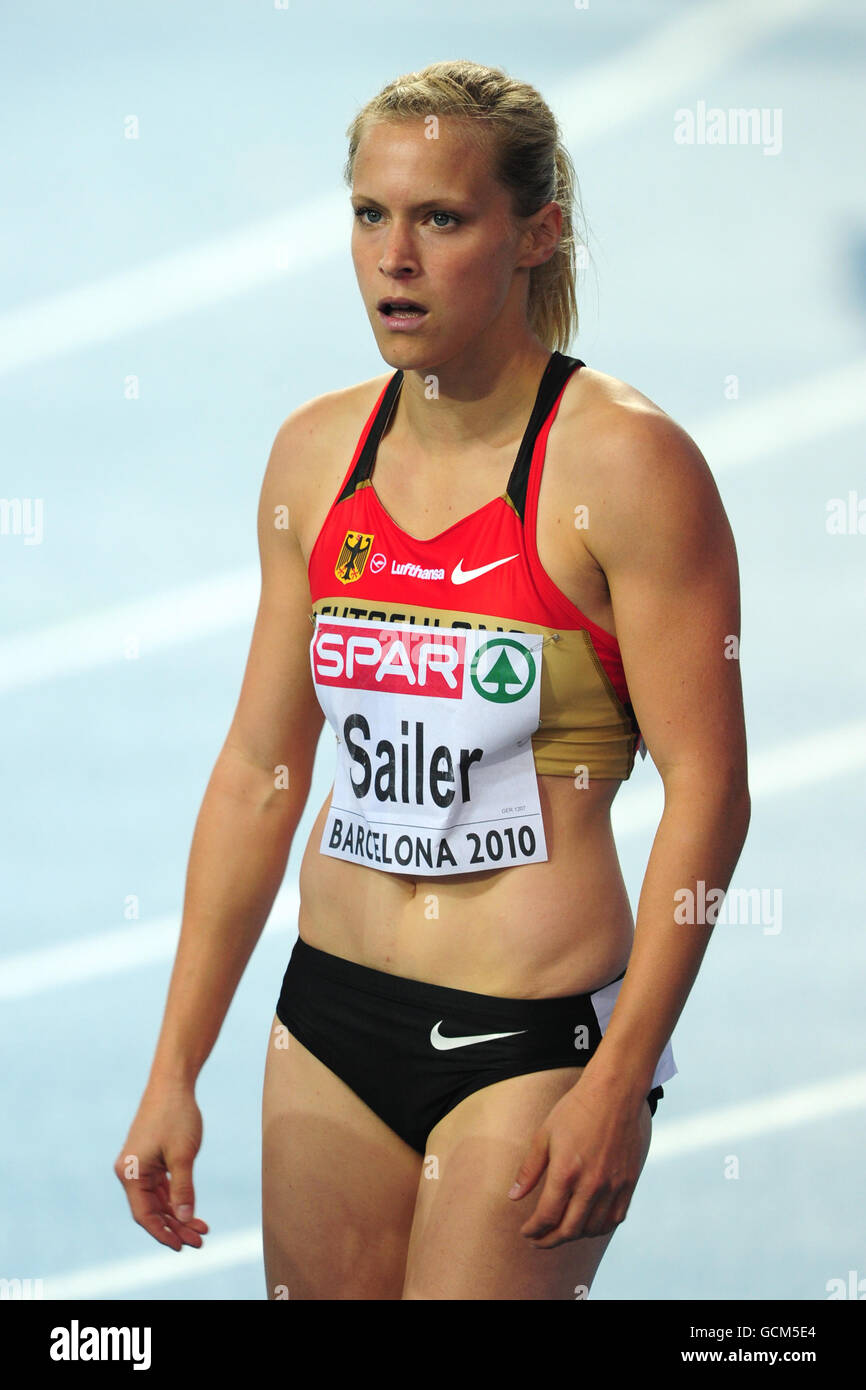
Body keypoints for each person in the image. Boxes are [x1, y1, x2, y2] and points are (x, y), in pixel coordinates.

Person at [114, 59, 750, 1301]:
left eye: (440, 219)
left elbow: (709, 792)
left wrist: (619, 1075)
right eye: (369, 214)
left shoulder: (624, 466)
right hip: (329, 1020)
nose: (392, 257)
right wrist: (173, 1065)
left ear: (535, 234)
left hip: (526, 1040)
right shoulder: (315, 457)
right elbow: (259, 773)